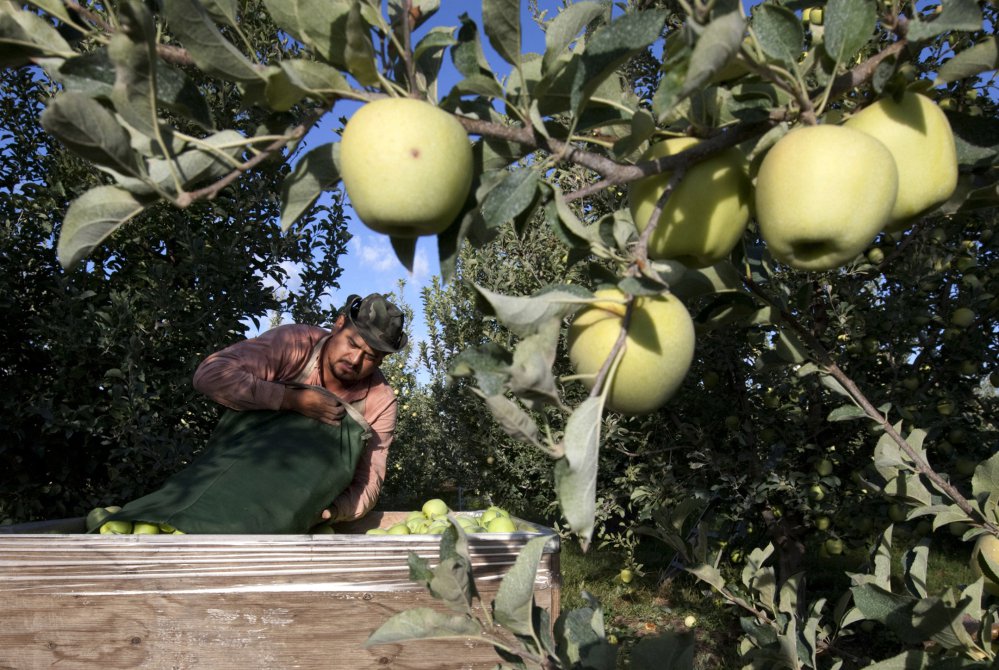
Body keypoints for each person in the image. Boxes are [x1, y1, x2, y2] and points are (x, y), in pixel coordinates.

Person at [192, 293, 407, 523]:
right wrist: (291, 399)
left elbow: (369, 478)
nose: (355, 360)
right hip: (228, 484)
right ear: (339, 324)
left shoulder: (381, 402)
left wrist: (334, 510)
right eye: (352, 343)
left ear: (382, 360)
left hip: (297, 514)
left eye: (370, 357)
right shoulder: (295, 343)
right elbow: (210, 375)